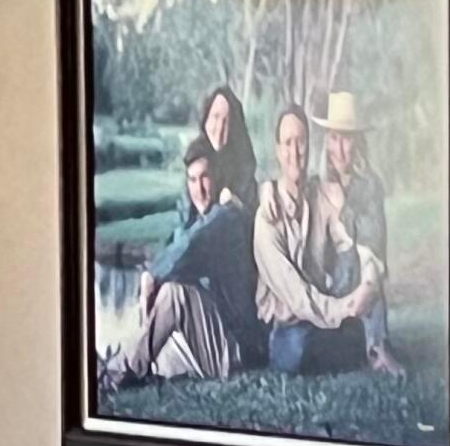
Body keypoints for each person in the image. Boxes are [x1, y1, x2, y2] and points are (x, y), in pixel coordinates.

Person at [102, 138, 267, 389]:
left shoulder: (227, 218)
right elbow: (180, 247)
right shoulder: (200, 221)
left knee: (174, 295)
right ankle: (116, 361)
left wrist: (151, 274)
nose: (198, 189)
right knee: (158, 325)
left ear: (217, 176)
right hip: (208, 338)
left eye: (204, 178)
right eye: (192, 180)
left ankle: (120, 372)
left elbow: (189, 247)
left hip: (235, 348)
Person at [253, 104, 382, 376]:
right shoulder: (267, 218)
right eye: (287, 143)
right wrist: (344, 309)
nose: (295, 152)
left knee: (337, 334)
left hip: (318, 318)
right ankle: (347, 341)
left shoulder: (318, 194)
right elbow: (298, 298)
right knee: (300, 347)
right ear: (277, 150)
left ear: (310, 147)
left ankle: (353, 338)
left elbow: (346, 243)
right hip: (286, 326)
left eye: (301, 142)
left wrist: (366, 281)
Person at [316, 90, 399, 373]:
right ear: (327, 142)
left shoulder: (369, 185)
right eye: (335, 139)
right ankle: (364, 343)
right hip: (328, 284)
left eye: (347, 139)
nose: (341, 150)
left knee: (361, 261)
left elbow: (373, 241)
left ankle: (377, 345)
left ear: (358, 142)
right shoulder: (318, 185)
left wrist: (368, 284)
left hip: (360, 276)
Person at [198, 84, 259, 216]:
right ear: (206, 119)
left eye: (226, 121)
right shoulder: (195, 160)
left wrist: (235, 201)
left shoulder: (244, 170)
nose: (219, 128)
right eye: (215, 117)